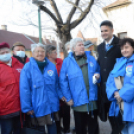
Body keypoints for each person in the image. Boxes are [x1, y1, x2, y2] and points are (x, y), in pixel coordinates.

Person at [59, 38, 100, 134]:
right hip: (78, 101)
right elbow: (63, 81)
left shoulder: (91, 58)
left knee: (93, 127)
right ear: (73, 48)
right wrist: (68, 98)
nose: (82, 46)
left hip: (92, 99)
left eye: (82, 44)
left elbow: (98, 70)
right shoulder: (67, 62)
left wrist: (98, 75)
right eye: (79, 45)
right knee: (80, 128)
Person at [20, 43, 63, 134]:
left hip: (52, 104)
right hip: (37, 106)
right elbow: (24, 89)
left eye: (42, 51)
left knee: (53, 128)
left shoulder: (51, 66)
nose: (40, 53)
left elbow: (56, 84)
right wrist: (27, 107)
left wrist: (61, 96)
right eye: (37, 51)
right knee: (40, 130)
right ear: (32, 53)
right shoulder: (27, 68)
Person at [97, 20, 122, 134]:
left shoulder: (121, 44)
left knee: (119, 119)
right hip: (104, 89)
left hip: (118, 88)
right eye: (102, 31)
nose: (103, 33)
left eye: (106, 30)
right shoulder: (100, 47)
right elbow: (100, 63)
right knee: (110, 117)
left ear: (112, 30)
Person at [106, 38, 134, 134]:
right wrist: (115, 92)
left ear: (133, 48)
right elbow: (110, 79)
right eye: (122, 48)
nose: (124, 50)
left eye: (127, 47)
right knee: (123, 131)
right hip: (120, 104)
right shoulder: (119, 62)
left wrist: (121, 94)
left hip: (131, 104)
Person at [46, 45, 71, 134]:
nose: (56, 53)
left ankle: (67, 129)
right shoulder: (45, 64)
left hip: (63, 90)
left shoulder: (60, 61)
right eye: (54, 52)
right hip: (53, 93)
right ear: (48, 54)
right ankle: (58, 129)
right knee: (56, 114)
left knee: (66, 112)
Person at [0, 42, 23, 134]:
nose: (5, 54)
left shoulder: (19, 65)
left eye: (6, 52)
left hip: (21, 108)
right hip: (5, 110)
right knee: (7, 131)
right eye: (2, 53)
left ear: (10, 52)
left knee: (20, 131)